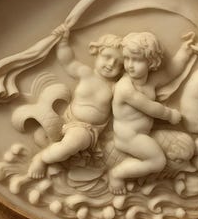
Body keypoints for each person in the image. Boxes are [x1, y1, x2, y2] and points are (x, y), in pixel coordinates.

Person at [23, 28, 124, 180]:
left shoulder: (115, 87)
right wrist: (63, 41)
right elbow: (68, 61)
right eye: (107, 57)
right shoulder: (86, 73)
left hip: (88, 129)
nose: (111, 64)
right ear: (97, 52)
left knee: (72, 143)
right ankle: (43, 158)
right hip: (69, 120)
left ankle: (45, 158)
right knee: (66, 145)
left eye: (118, 63)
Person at [109, 31, 195, 194]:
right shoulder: (125, 88)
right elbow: (149, 107)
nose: (130, 65)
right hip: (128, 137)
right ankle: (117, 174)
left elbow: (171, 72)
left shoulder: (149, 81)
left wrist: (185, 50)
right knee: (157, 161)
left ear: (151, 61)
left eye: (137, 60)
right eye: (127, 58)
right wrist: (170, 115)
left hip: (141, 134)